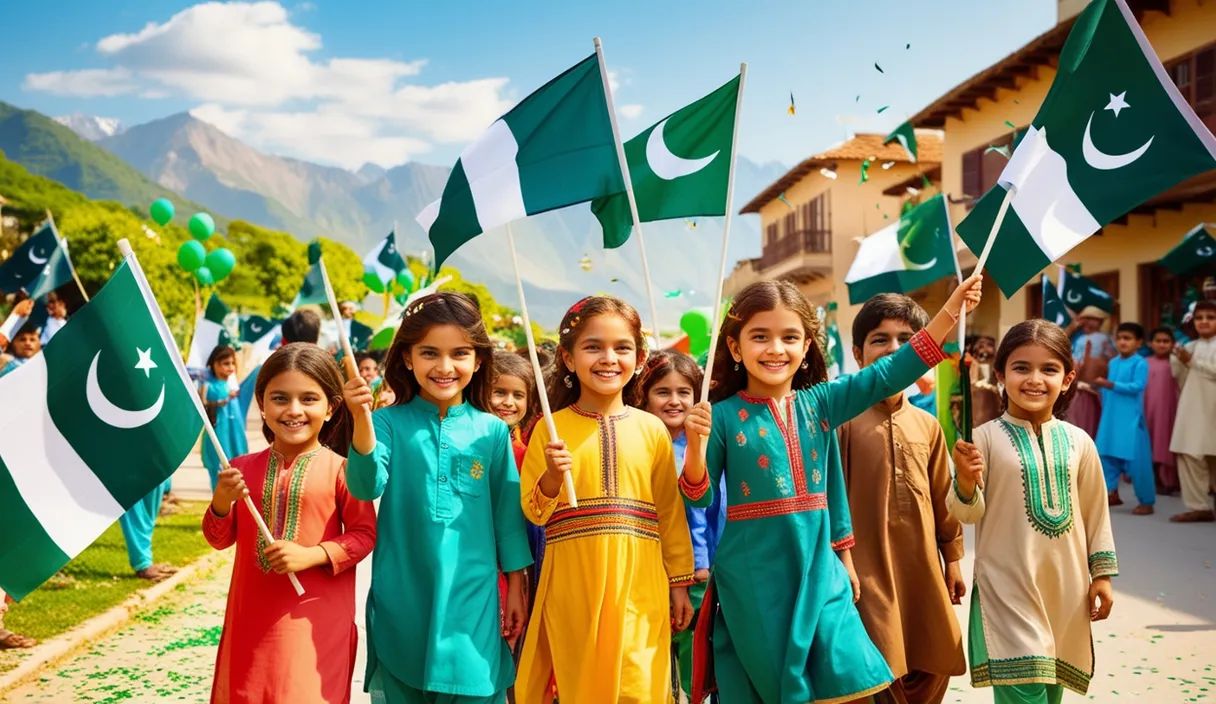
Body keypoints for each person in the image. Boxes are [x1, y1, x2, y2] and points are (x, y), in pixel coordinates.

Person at [679, 275, 984, 704]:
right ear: (734, 347)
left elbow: (890, 371)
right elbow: (698, 495)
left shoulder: (821, 403)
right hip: (753, 576)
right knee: (780, 690)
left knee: (851, 674)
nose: (775, 349)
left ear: (806, 348)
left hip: (821, 570)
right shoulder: (722, 416)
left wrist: (951, 309)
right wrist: (695, 446)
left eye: (789, 337)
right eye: (760, 337)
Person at [343, 292, 531, 703]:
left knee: (478, 685)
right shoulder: (386, 423)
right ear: (408, 358)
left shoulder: (492, 431)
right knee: (404, 680)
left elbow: (507, 519)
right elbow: (365, 485)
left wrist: (516, 584)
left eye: (459, 353)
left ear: (478, 359)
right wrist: (360, 420)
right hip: (403, 592)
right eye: (430, 353)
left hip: (474, 597)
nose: (445, 367)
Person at [516, 296, 696, 704]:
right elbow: (534, 510)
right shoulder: (549, 428)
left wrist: (680, 582)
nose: (608, 358)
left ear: (640, 355)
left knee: (639, 680)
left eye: (622, 347)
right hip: (573, 580)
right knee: (583, 684)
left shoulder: (652, 430)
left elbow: (669, 512)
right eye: (593, 346)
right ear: (567, 356)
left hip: (641, 580)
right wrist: (551, 475)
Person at [949, 319, 1117, 704]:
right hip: (1007, 589)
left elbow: (1096, 512)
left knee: (1050, 694)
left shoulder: (1079, 442)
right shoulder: (983, 439)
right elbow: (966, 513)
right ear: (1000, 375)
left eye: (1049, 369)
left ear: (1069, 377)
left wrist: (1102, 575)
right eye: (1021, 367)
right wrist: (964, 478)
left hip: (1066, 592)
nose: (1034, 379)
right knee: (1025, 694)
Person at [204, 343, 377, 703]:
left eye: (308, 399)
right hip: (250, 621)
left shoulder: (344, 469)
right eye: (280, 398)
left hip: (316, 623)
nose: (293, 410)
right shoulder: (241, 467)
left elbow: (364, 535)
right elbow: (219, 538)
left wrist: (312, 555)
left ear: (331, 408)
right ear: (261, 404)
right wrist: (222, 500)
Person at [837, 294, 966, 704]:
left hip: (921, 569)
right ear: (858, 353)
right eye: (880, 340)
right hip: (861, 572)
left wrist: (955, 559)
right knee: (873, 665)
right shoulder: (839, 421)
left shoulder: (927, 425)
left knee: (933, 655)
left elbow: (942, 496)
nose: (894, 350)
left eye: (906, 340)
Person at [633, 349, 726, 701]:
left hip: (704, 577)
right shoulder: (640, 444)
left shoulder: (705, 445)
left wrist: (701, 564)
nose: (674, 401)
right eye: (662, 392)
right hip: (650, 572)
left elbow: (706, 512)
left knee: (695, 663)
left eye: (684, 392)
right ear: (644, 396)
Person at [1093, 322, 1155, 514]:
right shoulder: (1113, 363)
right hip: (1110, 418)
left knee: (1137, 461)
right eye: (1119, 338)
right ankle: (1112, 492)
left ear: (1139, 342)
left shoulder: (1140, 363)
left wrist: (1110, 385)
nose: (1122, 342)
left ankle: (1146, 501)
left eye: (1127, 338)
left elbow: (1137, 386)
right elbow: (1106, 389)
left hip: (1130, 420)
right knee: (1106, 454)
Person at [1169, 300, 1216, 523]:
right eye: (1199, 318)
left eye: (1210, 317)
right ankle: (1199, 506)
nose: (1204, 322)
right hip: (1193, 407)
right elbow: (1179, 378)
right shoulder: (1190, 347)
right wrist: (1177, 358)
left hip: (1213, 408)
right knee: (1189, 453)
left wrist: (1193, 362)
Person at [200, 345, 250, 491]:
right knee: (220, 475)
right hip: (219, 435)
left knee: (239, 473)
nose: (231, 367)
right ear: (214, 364)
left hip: (235, 435)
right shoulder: (208, 386)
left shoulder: (232, 385)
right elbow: (201, 405)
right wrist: (222, 401)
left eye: (232, 363)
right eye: (226, 363)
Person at [1068, 307, 1115, 439]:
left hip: (1094, 388)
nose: (1085, 323)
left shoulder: (1102, 338)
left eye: (1090, 319)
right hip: (1084, 387)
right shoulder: (1080, 338)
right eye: (1084, 319)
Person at [1144, 327, 1180, 495]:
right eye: (1158, 341)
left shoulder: (1176, 362)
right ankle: (1153, 479)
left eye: (1166, 341)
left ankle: (1169, 480)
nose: (1162, 344)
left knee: (1166, 441)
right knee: (1150, 441)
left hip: (1169, 409)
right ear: (1150, 344)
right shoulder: (1144, 362)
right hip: (1148, 408)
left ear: (1173, 344)